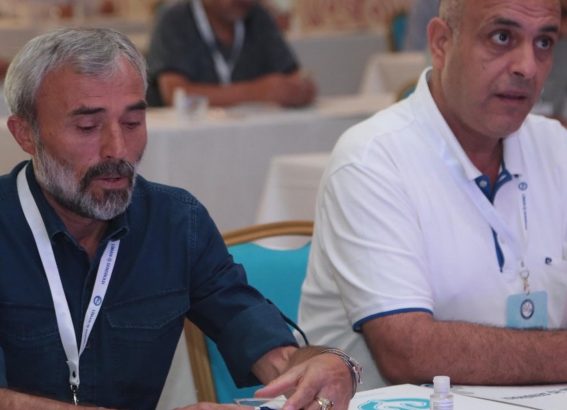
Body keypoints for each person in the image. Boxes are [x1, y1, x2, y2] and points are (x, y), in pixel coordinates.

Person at [0, 27, 357, 409]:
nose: (117, 149)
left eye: (133, 123)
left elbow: (269, 348)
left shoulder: (175, 222)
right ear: (25, 134)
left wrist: (325, 365)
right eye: (87, 127)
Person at [298, 0, 567, 391]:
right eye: (501, 37)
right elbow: (409, 352)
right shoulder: (372, 158)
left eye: (544, 42)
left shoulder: (556, 146)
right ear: (441, 43)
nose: (527, 67)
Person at [146, 0, 316, 107]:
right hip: (188, 139)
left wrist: (299, 90)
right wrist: (258, 92)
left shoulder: (258, 17)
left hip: (251, 136)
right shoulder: (175, 19)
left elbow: (295, 78)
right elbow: (176, 95)